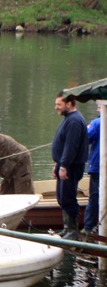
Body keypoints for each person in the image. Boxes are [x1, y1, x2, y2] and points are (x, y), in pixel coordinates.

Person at [52, 93, 88, 240]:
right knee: (61, 197)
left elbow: (71, 146)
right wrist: (58, 163)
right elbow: (63, 143)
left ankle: (73, 231)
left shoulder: (74, 121)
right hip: (63, 164)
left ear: (68, 104)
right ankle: (67, 228)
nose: (56, 107)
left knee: (68, 198)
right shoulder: (68, 119)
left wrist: (64, 166)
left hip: (71, 166)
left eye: (59, 104)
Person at [83, 104, 102, 237]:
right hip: (98, 166)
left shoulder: (97, 123)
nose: (97, 109)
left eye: (99, 107)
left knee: (94, 197)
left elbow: (85, 139)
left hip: (98, 166)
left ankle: (89, 228)